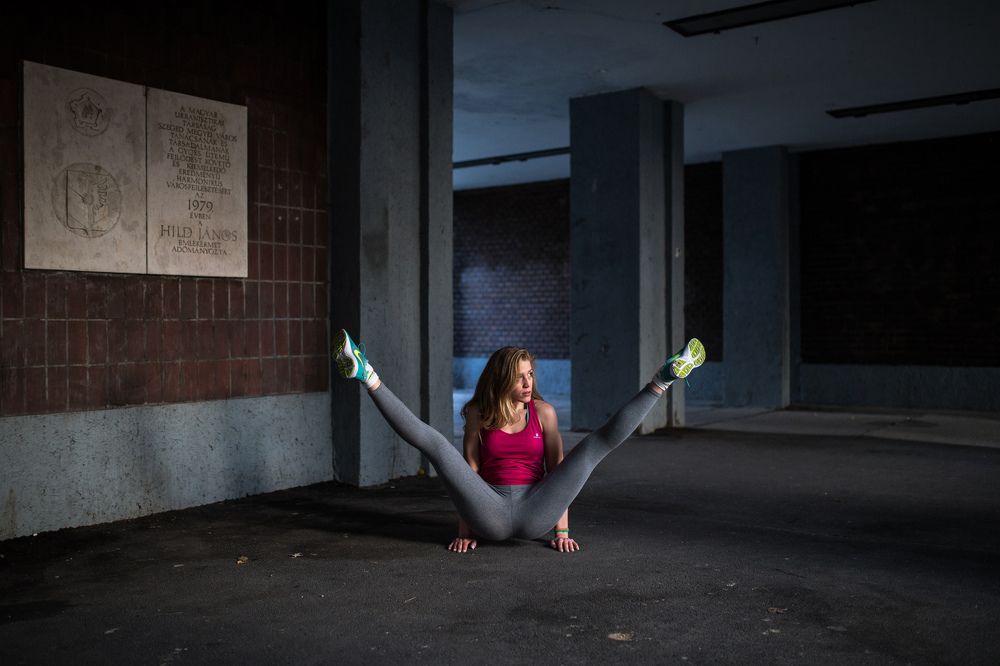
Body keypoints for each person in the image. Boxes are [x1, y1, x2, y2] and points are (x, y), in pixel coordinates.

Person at [333, 329, 705, 554]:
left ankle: (665, 376)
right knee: (435, 444)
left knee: (593, 448)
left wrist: (561, 530)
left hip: (537, 510)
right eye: (519, 376)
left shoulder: (543, 413)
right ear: (501, 379)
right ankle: (366, 374)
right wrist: (465, 531)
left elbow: (560, 475)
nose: (528, 383)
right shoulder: (478, 414)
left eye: (531, 375)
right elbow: (467, 476)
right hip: (489, 511)